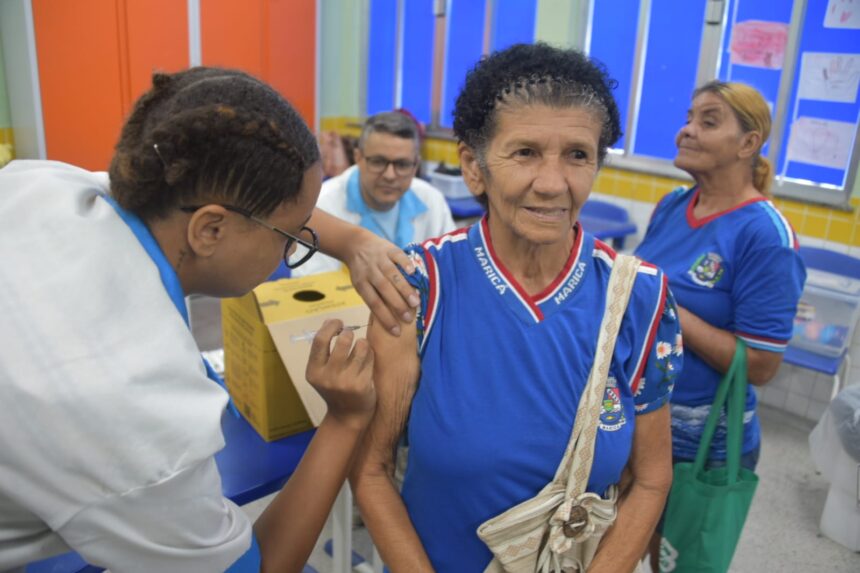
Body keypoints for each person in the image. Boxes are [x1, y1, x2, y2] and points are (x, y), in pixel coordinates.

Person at [0, 67, 419, 572]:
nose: (295, 249)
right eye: (291, 235)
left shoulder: (41, 185)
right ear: (210, 230)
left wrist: (353, 242)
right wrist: (345, 418)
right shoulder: (137, 415)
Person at [349, 43, 684, 573]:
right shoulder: (419, 286)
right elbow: (372, 469)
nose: (552, 184)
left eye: (578, 155)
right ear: (474, 167)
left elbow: (650, 478)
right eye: (525, 152)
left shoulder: (639, 297)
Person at [633, 80, 806, 569]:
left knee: (676, 562)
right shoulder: (673, 205)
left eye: (707, 121)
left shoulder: (765, 236)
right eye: (688, 118)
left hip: (701, 443)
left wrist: (669, 310)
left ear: (748, 143)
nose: (686, 130)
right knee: (626, 547)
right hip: (641, 420)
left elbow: (762, 365)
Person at [293, 111, 456, 277]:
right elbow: (313, 283)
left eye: (402, 164)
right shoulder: (321, 206)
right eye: (378, 162)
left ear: (416, 165)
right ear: (358, 157)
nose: (390, 175)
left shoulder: (432, 200)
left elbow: (452, 269)